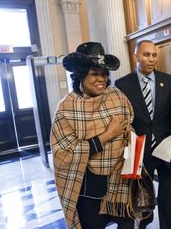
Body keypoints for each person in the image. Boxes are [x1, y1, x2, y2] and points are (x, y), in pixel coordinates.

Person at [50, 42, 135, 229]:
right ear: (80, 75)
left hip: (120, 181)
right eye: (94, 74)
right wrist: (108, 135)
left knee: (128, 225)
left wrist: (129, 135)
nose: (101, 79)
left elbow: (128, 125)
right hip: (89, 190)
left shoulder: (116, 96)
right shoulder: (67, 108)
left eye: (104, 74)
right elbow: (64, 155)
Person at [115, 40, 171, 229]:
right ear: (136, 56)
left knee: (168, 195)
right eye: (146, 55)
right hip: (141, 153)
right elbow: (123, 120)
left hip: (167, 150)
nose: (151, 59)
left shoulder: (169, 81)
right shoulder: (122, 85)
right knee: (143, 196)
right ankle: (144, 223)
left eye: (154, 55)